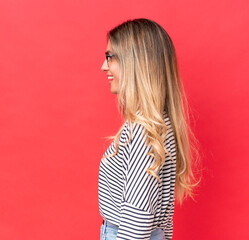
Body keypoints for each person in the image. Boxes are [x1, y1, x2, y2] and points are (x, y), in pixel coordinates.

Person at [98, 18, 200, 240]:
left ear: (134, 62)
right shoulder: (158, 127)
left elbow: (138, 216)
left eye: (110, 57)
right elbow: (160, 224)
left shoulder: (144, 131)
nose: (104, 66)